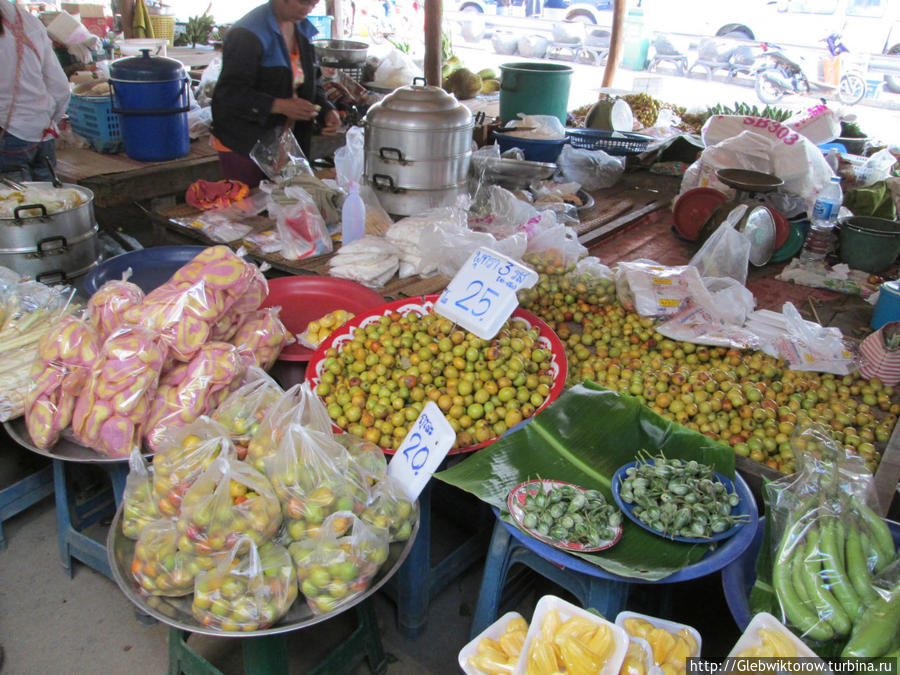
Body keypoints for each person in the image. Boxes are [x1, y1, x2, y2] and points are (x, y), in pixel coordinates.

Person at [211, 0, 341, 188]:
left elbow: (313, 81)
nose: (308, 9)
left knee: (288, 205)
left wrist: (326, 110)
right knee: (249, 210)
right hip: (244, 143)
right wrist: (279, 105)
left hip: (286, 142)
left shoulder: (303, 30)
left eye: (314, 3)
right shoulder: (248, 34)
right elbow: (229, 94)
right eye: (303, 2)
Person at [0, 0, 71, 182]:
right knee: (50, 203)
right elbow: (60, 86)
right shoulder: (29, 20)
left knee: (15, 206)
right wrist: (47, 120)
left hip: (8, 136)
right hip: (42, 132)